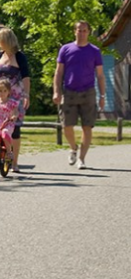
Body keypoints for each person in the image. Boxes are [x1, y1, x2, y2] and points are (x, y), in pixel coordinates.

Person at [52, 20, 106, 170]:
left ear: (89, 32)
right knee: (67, 125)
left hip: (88, 92)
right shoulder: (65, 49)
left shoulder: (94, 51)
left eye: (84, 30)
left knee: (87, 127)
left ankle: (81, 159)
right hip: (69, 91)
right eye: (79, 30)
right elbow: (58, 72)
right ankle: (73, 147)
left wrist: (102, 96)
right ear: (74, 31)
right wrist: (56, 91)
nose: (81, 33)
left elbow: (100, 75)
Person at [0, 28, 30, 173]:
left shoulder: (20, 57)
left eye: (1, 40)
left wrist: (26, 95)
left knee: (15, 129)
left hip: (15, 97)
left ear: (8, 40)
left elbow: (26, 77)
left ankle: (14, 162)